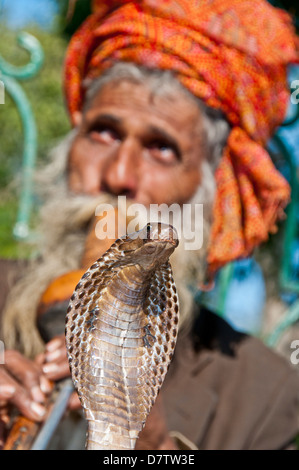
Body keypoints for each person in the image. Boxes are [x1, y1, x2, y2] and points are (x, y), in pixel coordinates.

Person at [1, 0, 299, 450]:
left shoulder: (262, 393)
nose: (120, 176)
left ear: (208, 185)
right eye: (104, 132)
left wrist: (158, 447)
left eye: (161, 148)